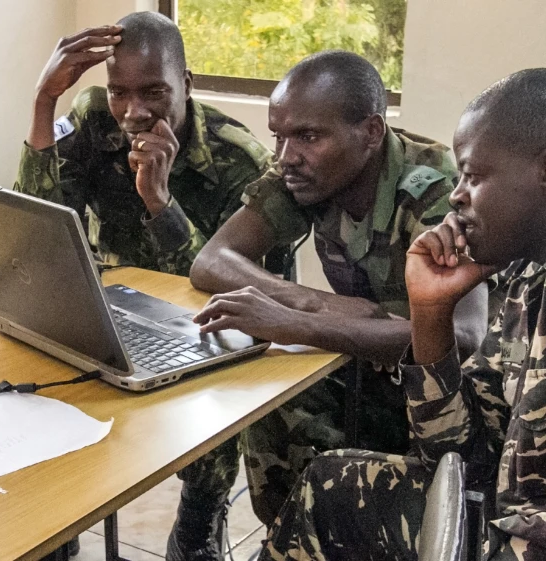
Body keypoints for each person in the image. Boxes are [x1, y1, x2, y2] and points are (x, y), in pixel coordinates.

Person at [259, 68, 546, 561]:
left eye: (473, 175)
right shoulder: (538, 263)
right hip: (517, 511)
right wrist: (430, 311)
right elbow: (458, 454)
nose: (457, 195)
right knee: (331, 485)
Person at [189, 51, 489, 528]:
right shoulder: (302, 171)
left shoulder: (434, 190)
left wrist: (302, 324)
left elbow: (465, 338)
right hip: (369, 370)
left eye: (308, 136)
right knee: (268, 396)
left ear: (370, 132)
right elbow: (212, 261)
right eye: (278, 136)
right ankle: (294, 538)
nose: (287, 155)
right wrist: (313, 302)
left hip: (449, 404)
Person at [14, 12, 274, 561]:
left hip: (200, 326)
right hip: (108, 305)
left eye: (154, 92)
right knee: (31, 377)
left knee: (223, 400)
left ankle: (198, 522)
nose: (134, 112)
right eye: (118, 92)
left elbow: (236, 295)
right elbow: (40, 226)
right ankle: (59, 523)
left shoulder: (240, 160)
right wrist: (43, 102)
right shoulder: (92, 121)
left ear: (187, 84)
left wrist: (161, 202)